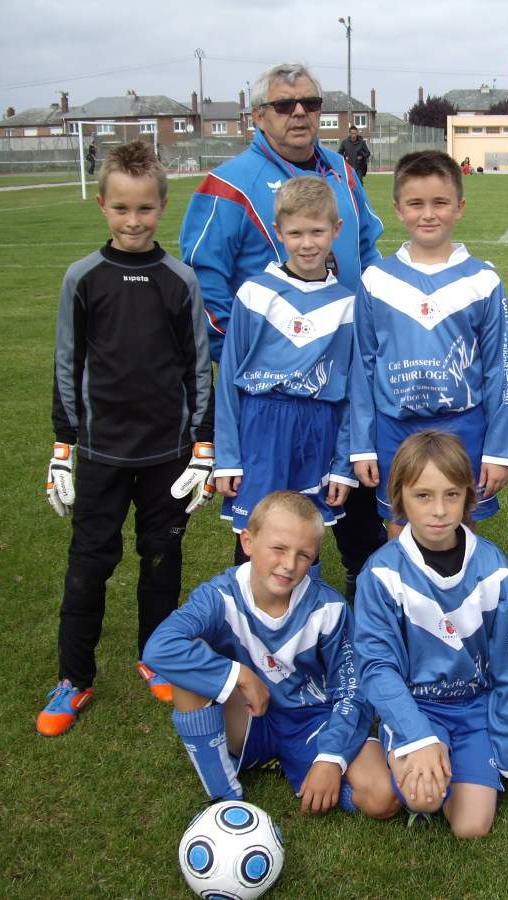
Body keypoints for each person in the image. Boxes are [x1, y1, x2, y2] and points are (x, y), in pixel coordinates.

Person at [179, 62, 386, 601]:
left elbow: (368, 250)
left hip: (340, 382)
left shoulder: (342, 169)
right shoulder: (227, 181)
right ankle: (256, 631)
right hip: (268, 401)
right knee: (265, 531)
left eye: (310, 103)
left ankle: (361, 629)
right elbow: (203, 282)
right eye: (284, 104)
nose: (299, 113)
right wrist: (258, 362)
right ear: (258, 114)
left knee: (355, 518)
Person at [38, 141, 215, 737]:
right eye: (121, 209)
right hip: (99, 454)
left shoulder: (178, 280)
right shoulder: (82, 279)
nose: (133, 221)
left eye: (144, 209)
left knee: (161, 561)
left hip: (167, 455)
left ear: (163, 205)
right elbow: (68, 363)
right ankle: (74, 679)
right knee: (88, 564)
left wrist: (203, 446)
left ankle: (156, 655)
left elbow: (198, 367)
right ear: (102, 206)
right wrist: (64, 449)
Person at [142, 492, 399, 818]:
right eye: (278, 548)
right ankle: (224, 798)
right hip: (248, 714)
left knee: (384, 797)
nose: (289, 564)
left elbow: (354, 690)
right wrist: (237, 674)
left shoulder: (330, 609)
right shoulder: (219, 596)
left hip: (311, 722)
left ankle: (306, 768)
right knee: (188, 666)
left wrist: (331, 759)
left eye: (304, 555)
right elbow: (160, 647)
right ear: (248, 542)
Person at [353, 431, 508, 837]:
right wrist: (418, 736)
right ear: (399, 497)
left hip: (473, 710)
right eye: (423, 496)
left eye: (451, 495)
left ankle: (448, 761)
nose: (438, 510)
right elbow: (377, 667)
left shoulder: (492, 566)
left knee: (472, 827)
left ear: (469, 497)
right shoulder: (382, 573)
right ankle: (385, 749)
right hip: (419, 707)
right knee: (423, 798)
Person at [350, 151, 508, 535]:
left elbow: (500, 370)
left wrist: (497, 450)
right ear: (397, 209)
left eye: (440, 203)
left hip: (463, 426)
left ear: (459, 207)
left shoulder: (482, 280)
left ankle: (460, 596)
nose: (428, 214)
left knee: (460, 525)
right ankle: (402, 597)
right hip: (395, 429)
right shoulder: (377, 279)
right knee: (399, 529)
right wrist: (362, 444)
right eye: (416, 204)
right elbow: (362, 367)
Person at [212, 177, 358, 561]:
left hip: (317, 431)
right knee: (256, 539)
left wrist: (343, 466)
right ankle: (247, 618)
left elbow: (352, 394)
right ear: (278, 232)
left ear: (335, 230)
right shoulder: (254, 294)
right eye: (295, 233)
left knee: (305, 537)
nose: (307, 243)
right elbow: (228, 381)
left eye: (317, 231)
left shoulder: (348, 305)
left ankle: (304, 619)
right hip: (260, 429)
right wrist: (227, 456)